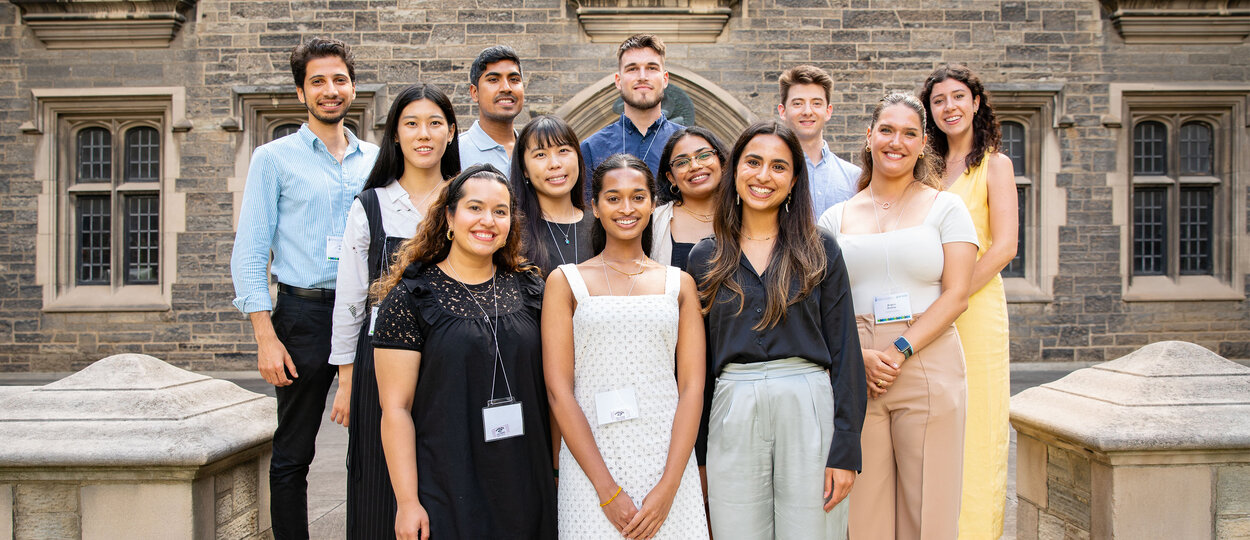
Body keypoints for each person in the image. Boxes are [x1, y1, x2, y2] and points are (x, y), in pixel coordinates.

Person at [229, 37, 379, 540]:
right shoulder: (273, 159)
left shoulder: (376, 161)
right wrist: (265, 335)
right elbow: (250, 253)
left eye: (339, 79)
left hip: (367, 316)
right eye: (318, 81)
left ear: (352, 87)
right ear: (301, 92)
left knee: (380, 441)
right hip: (303, 315)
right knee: (293, 454)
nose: (330, 90)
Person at [688, 121, 866, 540]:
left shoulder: (820, 250)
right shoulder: (705, 257)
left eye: (778, 166)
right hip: (732, 405)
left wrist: (846, 450)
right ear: (734, 171)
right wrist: (698, 456)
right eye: (753, 162)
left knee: (811, 530)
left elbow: (845, 353)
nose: (763, 176)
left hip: (807, 402)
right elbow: (696, 370)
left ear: (794, 181)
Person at [817, 93, 978, 540]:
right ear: (869, 137)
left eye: (910, 133)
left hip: (927, 356)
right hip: (858, 363)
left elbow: (958, 294)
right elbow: (825, 303)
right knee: (863, 510)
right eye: (886, 130)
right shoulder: (835, 217)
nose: (896, 142)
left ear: (924, 143)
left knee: (929, 505)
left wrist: (900, 349)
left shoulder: (946, 208)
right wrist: (860, 357)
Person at [370, 165, 557, 540]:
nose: (488, 220)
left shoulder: (534, 290)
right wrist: (408, 503)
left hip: (526, 479)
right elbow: (396, 410)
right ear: (449, 217)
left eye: (500, 211)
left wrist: (557, 472)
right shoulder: (411, 297)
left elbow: (555, 392)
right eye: (475, 208)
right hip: (449, 484)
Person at [543, 153, 709, 539]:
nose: (626, 208)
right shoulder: (565, 282)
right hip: (591, 468)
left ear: (653, 204)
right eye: (613, 198)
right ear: (595, 208)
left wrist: (669, 488)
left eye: (638, 197)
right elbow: (558, 392)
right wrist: (607, 491)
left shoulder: (679, 283)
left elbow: (692, 389)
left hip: (667, 461)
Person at [328, 83, 460, 540]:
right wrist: (346, 381)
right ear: (396, 136)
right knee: (380, 484)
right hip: (381, 364)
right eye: (411, 124)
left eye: (434, 123)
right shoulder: (370, 207)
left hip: (451, 362)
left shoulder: (467, 202)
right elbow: (350, 301)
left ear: (450, 132)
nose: (423, 135)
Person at [920, 64, 1017, 540]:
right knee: (935, 418)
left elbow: (1003, 247)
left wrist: (951, 296)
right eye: (939, 101)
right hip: (927, 308)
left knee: (976, 424)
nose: (949, 107)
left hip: (974, 310)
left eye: (958, 97)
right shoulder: (928, 168)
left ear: (976, 103)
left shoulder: (995, 165)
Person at [580, 33, 684, 197]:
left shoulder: (686, 143)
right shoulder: (591, 148)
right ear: (618, 81)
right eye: (632, 69)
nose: (642, 77)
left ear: (665, 79)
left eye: (652, 68)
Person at [510, 115, 594, 277]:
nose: (555, 164)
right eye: (541, 155)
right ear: (524, 169)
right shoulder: (514, 233)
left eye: (563, 151)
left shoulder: (601, 225)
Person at [777, 65, 862, 216]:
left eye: (816, 103)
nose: (808, 111)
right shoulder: (769, 175)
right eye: (798, 103)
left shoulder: (854, 178)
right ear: (782, 111)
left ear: (828, 111)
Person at [651, 126, 728, 271]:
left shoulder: (744, 216)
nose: (694, 166)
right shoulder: (653, 222)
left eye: (704, 156)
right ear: (671, 177)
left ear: (722, 163)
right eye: (682, 162)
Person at [459, 46, 525, 172]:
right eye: (493, 80)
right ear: (474, 92)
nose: (506, 88)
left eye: (514, 79)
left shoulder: (534, 150)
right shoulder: (455, 152)